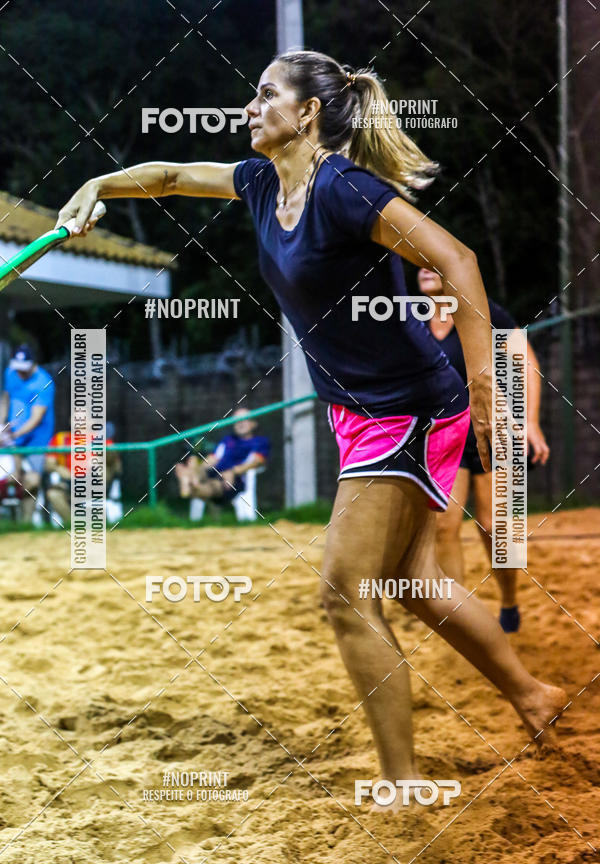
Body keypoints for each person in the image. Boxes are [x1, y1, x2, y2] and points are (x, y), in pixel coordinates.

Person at [56, 50, 566, 794]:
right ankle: (534, 695)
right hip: (361, 412)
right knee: (414, 583)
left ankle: (398, 784)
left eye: (265, 95)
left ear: (309, 113)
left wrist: (487, 379)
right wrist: (95, 183)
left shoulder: (346, 190)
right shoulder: (262, 182)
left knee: (343, 591)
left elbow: (457, 258)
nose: (249, 107)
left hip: (409, 409)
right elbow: (166, 176)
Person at [419, 268, 550, 633]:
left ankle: (509, 601)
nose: (425, 268)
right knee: (444, 527)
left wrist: (531, 422)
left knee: (495, 528)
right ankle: (459, 619)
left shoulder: (482, 310)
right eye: (420, 263)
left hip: (495, 432)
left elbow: (525, 360)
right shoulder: (411, 317)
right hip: (444, 435)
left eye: (434, 262)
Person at [0, 345, 55, 522]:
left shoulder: (44, 382)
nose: (20, 374)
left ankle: (26, 522)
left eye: (24, 370)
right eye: (18, 369)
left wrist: (13, 435)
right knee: (10, 478)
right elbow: (6, 400)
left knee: (32, 481)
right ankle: (13, 521)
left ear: (33, 363)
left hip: (36, 442)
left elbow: (36, 418)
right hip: (11, 442)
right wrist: (2, 425)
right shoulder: (10, 373)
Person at [175, 407, 269, 505]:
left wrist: (233, 471)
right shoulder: (227, 440)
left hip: (234, 481)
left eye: (245, 419)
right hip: (214, 473)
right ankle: (192, 479)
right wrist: (197, 469)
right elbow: (213, 459)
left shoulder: (259, 442)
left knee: (212, 485)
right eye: (237, 420)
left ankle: (189, 483)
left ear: (253, 423)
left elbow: (257, 462)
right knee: (192, 460)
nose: (241, 423)